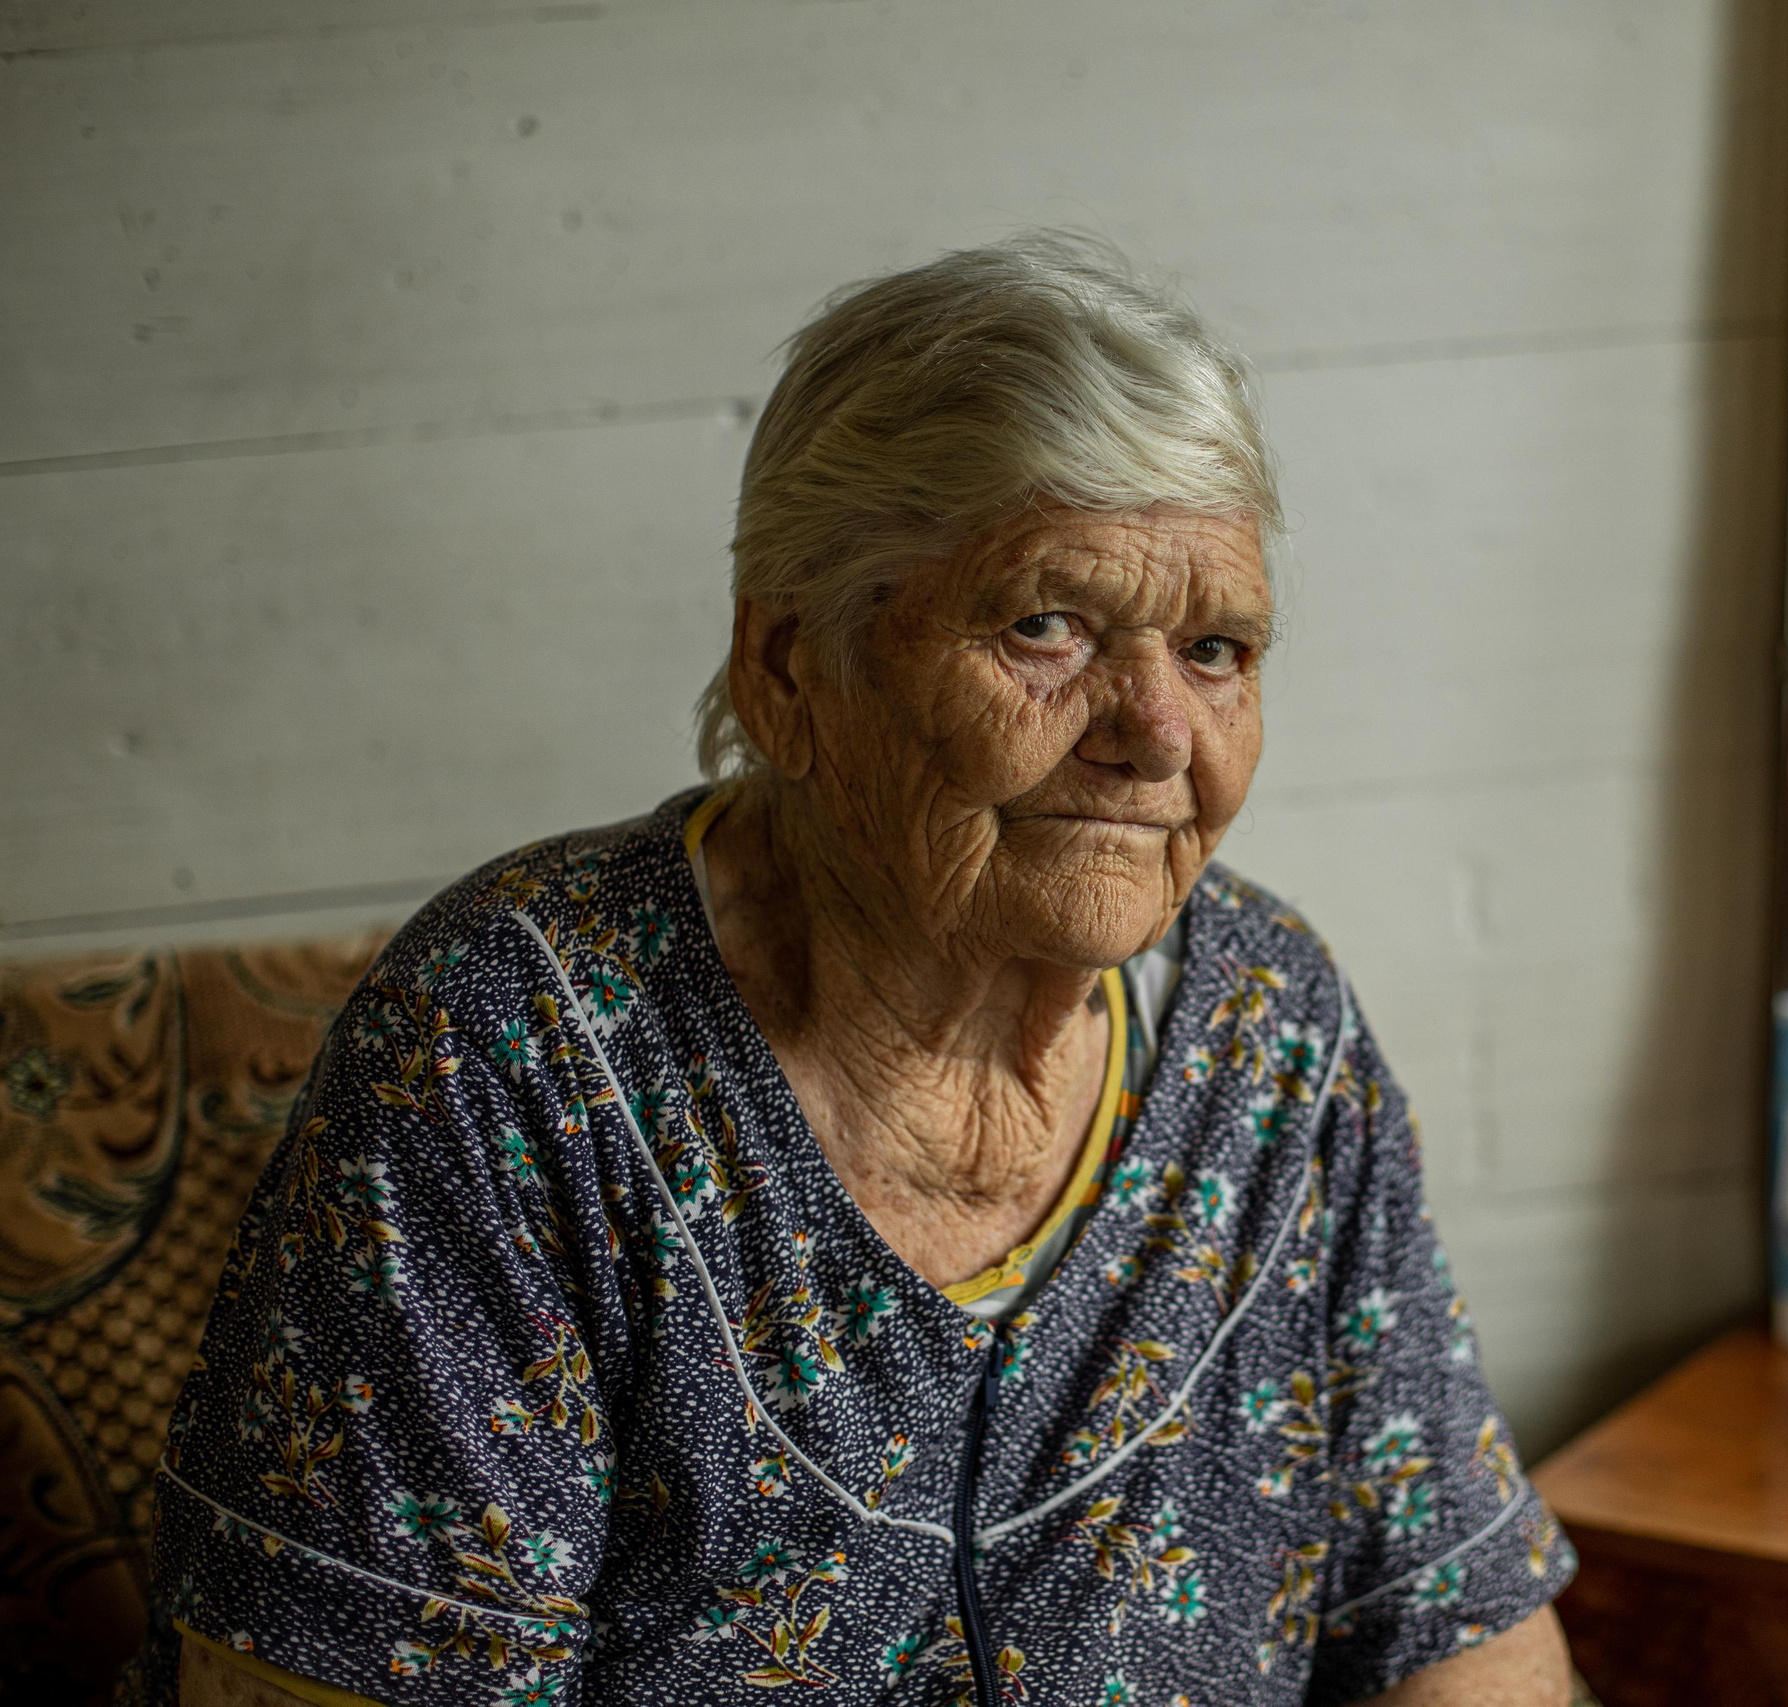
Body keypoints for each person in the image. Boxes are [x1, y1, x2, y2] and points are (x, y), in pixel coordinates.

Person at [149, 235, 1574, 1707]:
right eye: (1047, 623)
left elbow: (1461, 1628)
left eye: (1216, 647)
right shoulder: (512, 1048)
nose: (1155, 726)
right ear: (786, 663)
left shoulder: (1271, 1033)